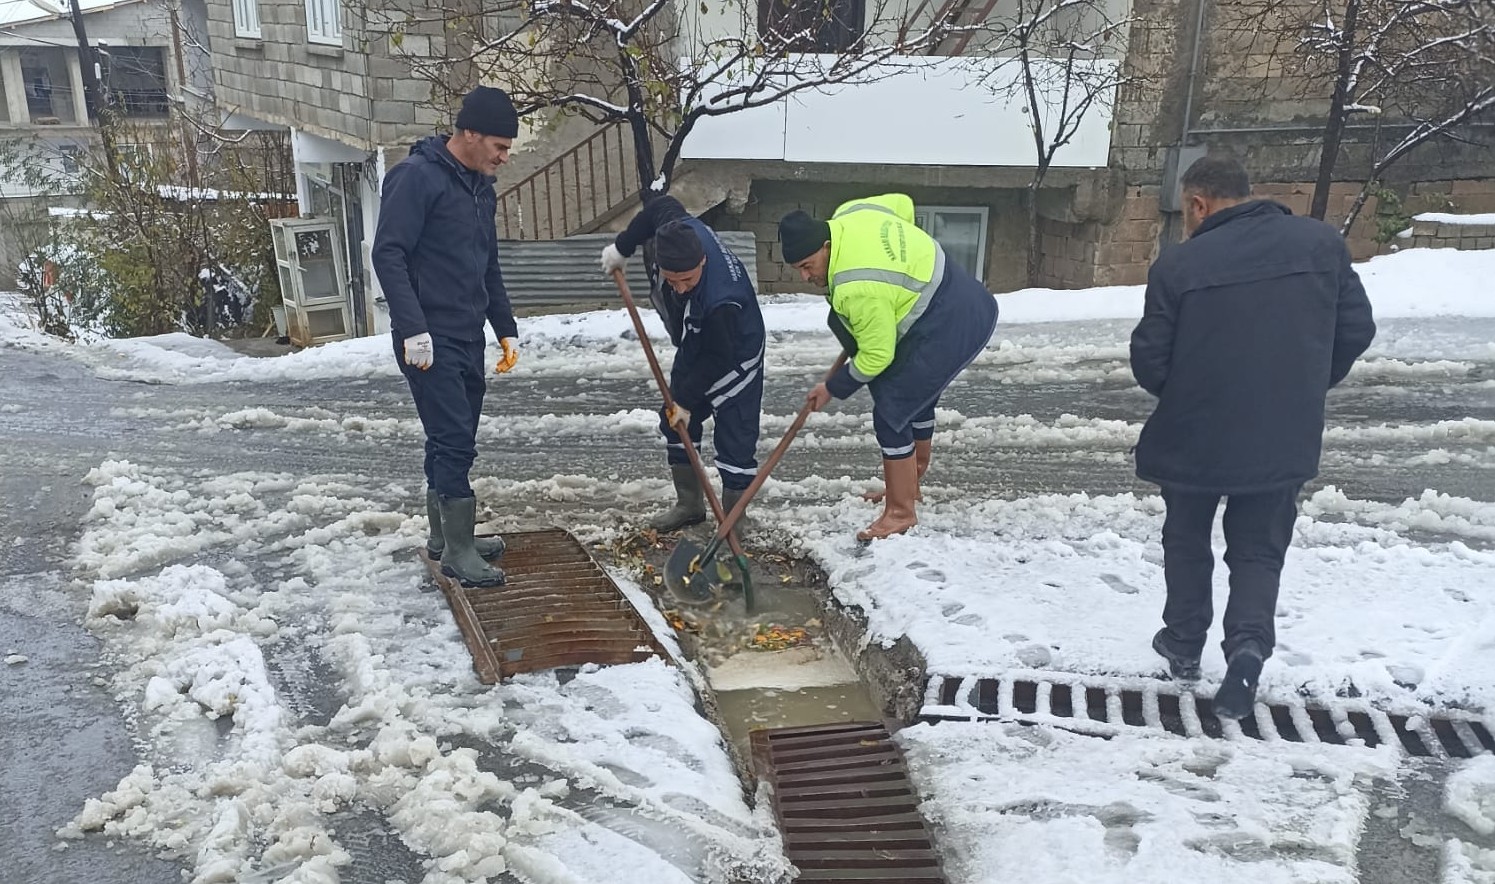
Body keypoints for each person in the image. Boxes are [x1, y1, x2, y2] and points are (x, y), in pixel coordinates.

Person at [1130, 155, 1376, 719]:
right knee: (1260, 548)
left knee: (1186, 536)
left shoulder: (1179, 265)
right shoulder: (1321, 245)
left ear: (1198, 204)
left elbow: (1149, 359)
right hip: (1282, 431)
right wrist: (1303, 385)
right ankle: (1246, 649)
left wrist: (1188, 390)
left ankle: (1183, 642)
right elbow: (1357, 329)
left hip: (1194, 431)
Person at [778, 194, 998, 541]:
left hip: (952, 323)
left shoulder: (857, 287)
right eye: (799, 270)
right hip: (965, 294)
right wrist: (900, 258)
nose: (805, 276)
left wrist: (833, 388)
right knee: (915, 399)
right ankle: (909, 484)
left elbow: (877, 356)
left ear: (826, 245)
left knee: (892, 411)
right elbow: (902, 204)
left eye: (808, 265)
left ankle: (900, 512)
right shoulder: (850, 212)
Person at [372, 85, 521, 588]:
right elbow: (388, 253)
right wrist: (413, 329)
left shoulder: (480, 188)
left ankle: (446, 537)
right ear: (470, 133)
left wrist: (505, 328)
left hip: (468, 332)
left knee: (452, 437)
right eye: (499, 146)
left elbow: (489, 264)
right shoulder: (416, 178)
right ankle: (458, 550)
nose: (504, 157)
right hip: (428, 338)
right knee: (454, 439)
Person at [602, 195, 767, 531]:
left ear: (702, 260)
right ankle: (689, 505)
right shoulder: (677, 229)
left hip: (737, 351)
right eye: (672, 280)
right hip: (696, 338)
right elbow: (657, 207)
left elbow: (717, 356)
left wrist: (687, 402)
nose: (678, 288)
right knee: (674, 420)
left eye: (688, 281)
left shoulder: (723, 299)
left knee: (735, 436)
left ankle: (735, 522)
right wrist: (622, 247)